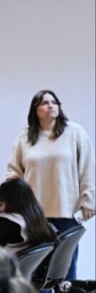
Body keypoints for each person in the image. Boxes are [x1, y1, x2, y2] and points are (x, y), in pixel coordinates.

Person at [7, 89, 95, 279]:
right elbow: (14, 173)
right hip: (34, 215)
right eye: (45, 103)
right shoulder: (24, 137)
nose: (51, 106)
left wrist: (89, 199)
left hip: (67, 212)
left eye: (54, 102)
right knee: (37, 270)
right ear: (35, 109)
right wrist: (11, 203)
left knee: (66, 266)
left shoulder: (75, 132)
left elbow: (87, 167)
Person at [0, 177, 56, 253]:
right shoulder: (37, 218)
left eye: (1, 205)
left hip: (2, 271)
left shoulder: (9, 224)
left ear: (13, 203)